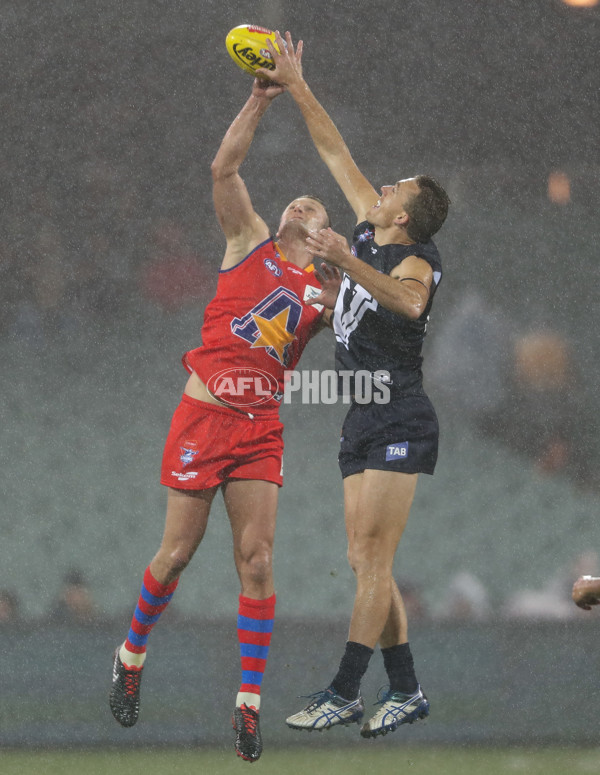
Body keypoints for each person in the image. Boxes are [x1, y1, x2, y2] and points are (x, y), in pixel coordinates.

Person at [108, 76, 331, 763]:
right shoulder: (250, 238)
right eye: (299, 197)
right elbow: (223, 167)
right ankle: (131, 653)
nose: (302, 202)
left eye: (316, 206)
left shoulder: (322, 293)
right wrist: (262, 99)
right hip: (204, 416)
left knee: (257, 561)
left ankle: (248, 705)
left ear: (326, 237)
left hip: (259, 426)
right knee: (175, 554)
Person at [259, 32, 450, 738]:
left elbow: (407, 303)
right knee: (363, 560)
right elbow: (333, 147)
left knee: (373, 560)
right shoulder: (372, 230)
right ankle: (405, 687)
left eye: (396, 188)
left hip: (400, 412)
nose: (384, 185)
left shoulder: (416, 258)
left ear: (401, 215)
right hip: (362, 413)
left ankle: (345, 687)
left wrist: (343, 258)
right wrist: (298, 84)